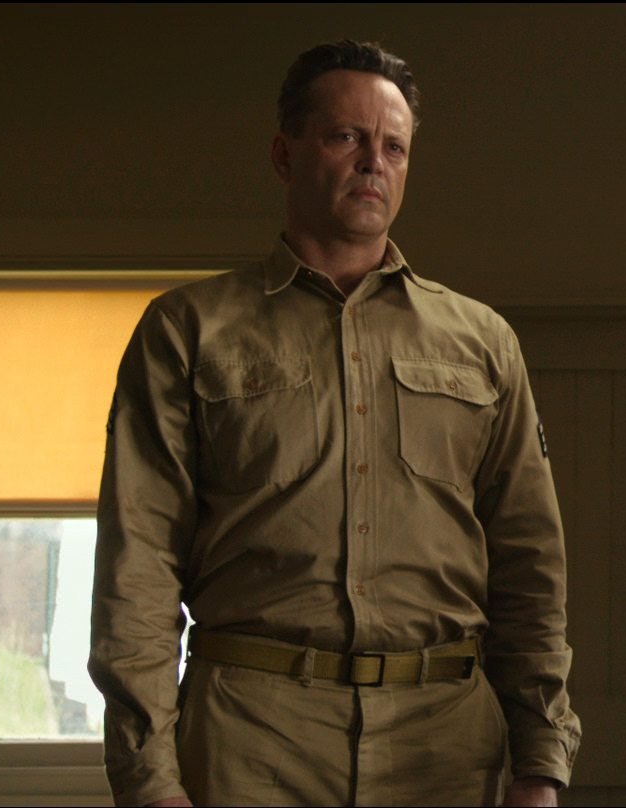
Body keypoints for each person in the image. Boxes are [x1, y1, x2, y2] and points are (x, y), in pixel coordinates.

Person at [88, 40, 579, 807]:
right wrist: (149, 779)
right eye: (346, 137)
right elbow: (137, 567)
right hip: (252, 741)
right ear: (285, 155)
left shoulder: (483, 343)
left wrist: (541, 759)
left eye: (394, 147)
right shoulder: (187, 331)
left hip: (445, 745)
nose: (373, 163)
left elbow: (530, 563)